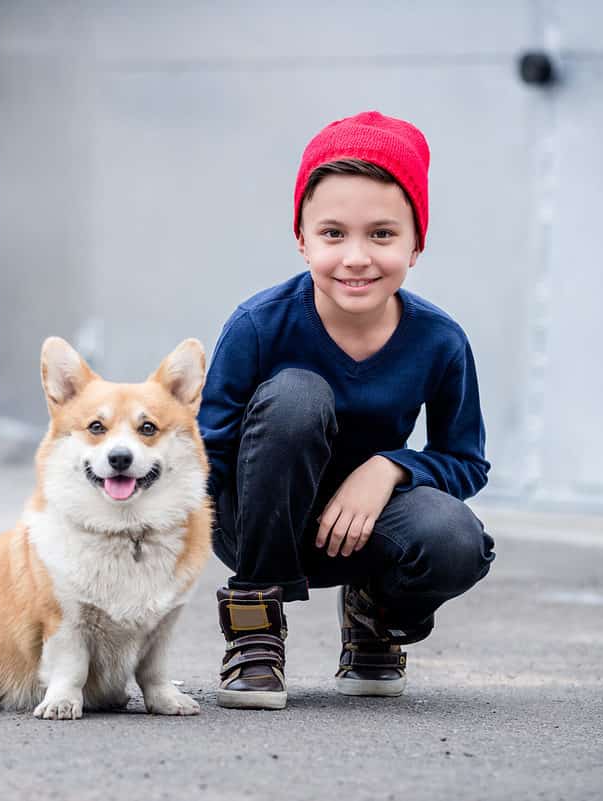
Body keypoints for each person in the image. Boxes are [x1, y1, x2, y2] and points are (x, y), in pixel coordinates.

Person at [198, 111, 496, 711]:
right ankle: (255, 627)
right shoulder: (258, 326)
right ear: (302, 238)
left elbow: (465, 461)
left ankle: (375, 614)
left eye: (382, 235)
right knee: (297, 395)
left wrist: (388, 468)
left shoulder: (439, 340)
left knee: (456, 538)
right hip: (257, 524)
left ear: (417, 243)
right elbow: (206, 452)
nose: (356, 257)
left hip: (366, 531)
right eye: (333, 234)